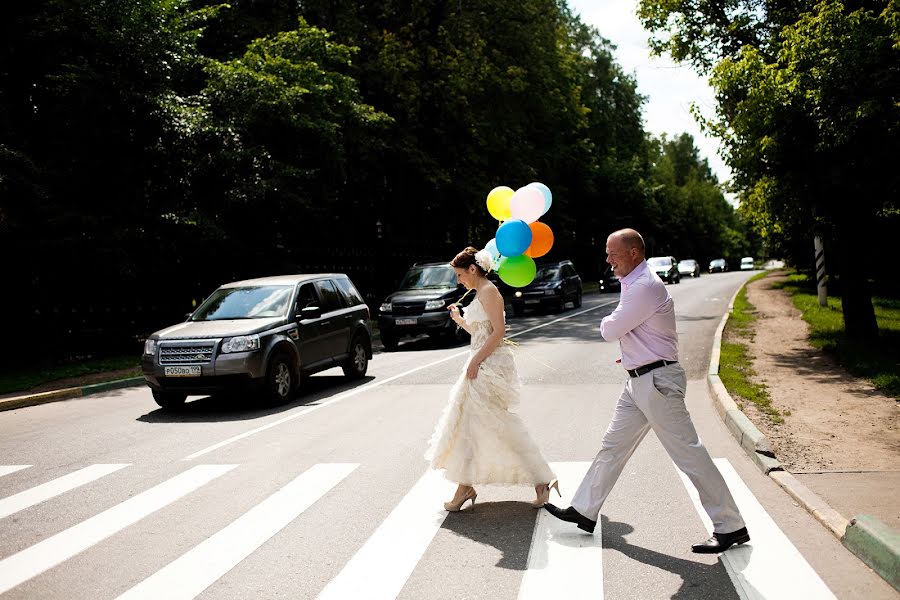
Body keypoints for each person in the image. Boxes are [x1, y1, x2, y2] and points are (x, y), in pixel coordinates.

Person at [544, 229, 750, 553]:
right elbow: (635, 332)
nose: (607, 259)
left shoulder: (644, 286)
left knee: (689, 455)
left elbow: (610, 329)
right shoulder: (635, 283)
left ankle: (731, 526)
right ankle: (584, 510)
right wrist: (632, 351)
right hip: (639, 381)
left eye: (613, 253)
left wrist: (614, 328)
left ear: (634, 253)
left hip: (657, 383)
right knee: (612, 447)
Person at [425, 246, 559, 511]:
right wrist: (459, 319)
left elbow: (498, 332)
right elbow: (479, 331)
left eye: (460, 275)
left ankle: (541, 479)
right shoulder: (479, 293)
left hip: (490, 364)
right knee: (470, 424)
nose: (459, 280)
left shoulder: (489, 292)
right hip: (480, 360)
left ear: (473, 269)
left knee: (496, 423)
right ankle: (466, 486)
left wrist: (475, 361)